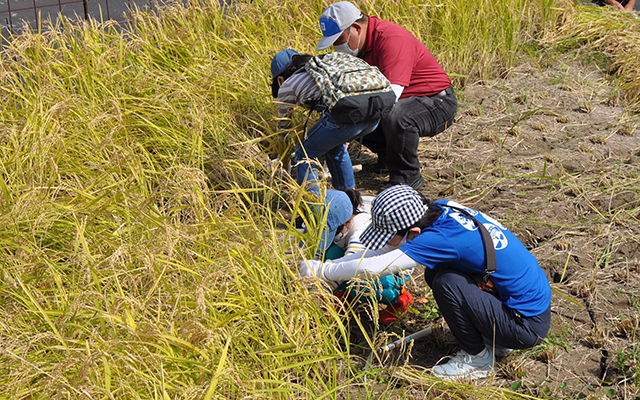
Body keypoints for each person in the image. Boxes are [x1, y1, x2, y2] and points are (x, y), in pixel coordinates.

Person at [300, 185, 552, 380]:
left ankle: (479, 359)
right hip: (521, 305)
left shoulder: (438, 239)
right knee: (438, 273)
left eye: (390, 238)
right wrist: (332, 268)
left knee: (445, 282)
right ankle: (493, 340)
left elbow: (374, 266)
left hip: (525, 326)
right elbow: (380, 255)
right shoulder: (440, 210)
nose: (387, 243)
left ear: (413, 233)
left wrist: (323, 270)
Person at [315, 2, 458, 190]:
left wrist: (347, 131)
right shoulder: (361, 47)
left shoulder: (392, 39)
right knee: (347, 111)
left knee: (394, 115)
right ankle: (387, 159)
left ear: (356, 28)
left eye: (339, 40)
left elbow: (390, 97)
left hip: (436, 101)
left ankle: (407, 178)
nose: (337, 47)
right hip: (406, 101)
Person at [270, 49, 379, 195]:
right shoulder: (320, 70)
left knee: (304, 154)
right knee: (334, 145)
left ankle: (314, 206)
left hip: (350, 115)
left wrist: (284, 160)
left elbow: (283, 128)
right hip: (375, 113)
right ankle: (350, 197)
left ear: (280, 80)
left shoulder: (287, 85)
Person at [324, 189, 414, 325]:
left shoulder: (360, 234)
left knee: (359, 284)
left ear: (348, 221)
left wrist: (320, 289)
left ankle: (400, 298)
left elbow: (348, 269)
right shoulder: (347, 209)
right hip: (364, 259)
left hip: (395, 268)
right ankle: (342, 300)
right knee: (331, 254)